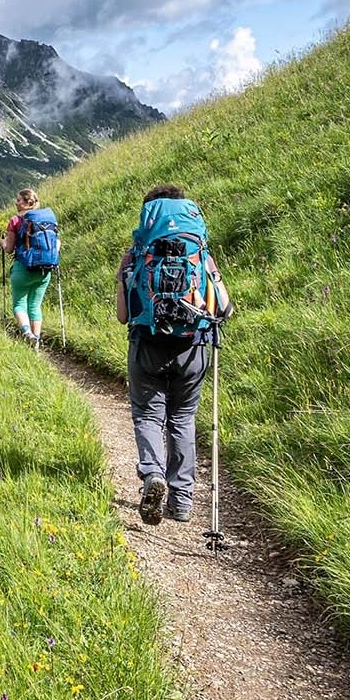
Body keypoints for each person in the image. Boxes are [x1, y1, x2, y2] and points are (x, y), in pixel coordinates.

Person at [117, 184, 233, 525]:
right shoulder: (200, 254)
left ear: (148, 216)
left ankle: (152, 473)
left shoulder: (136, 255)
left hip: (147, 344)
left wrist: (123, 278)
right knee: (182, 419)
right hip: (193, 347)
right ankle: (181, 501)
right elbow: (225, 308)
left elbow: (123, 316)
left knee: (149, 415)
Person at [0, 188, 57, 343]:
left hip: (23, 268)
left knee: (19, 304)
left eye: (19, 200)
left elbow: (9, 249)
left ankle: (27, 334)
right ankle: (36, 341)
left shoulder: (15, 221)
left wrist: (3, 243)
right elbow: (56, 243)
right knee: (35, 306)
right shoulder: (47, 220)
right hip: (45, 270)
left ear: (27, 203)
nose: (16, 202)